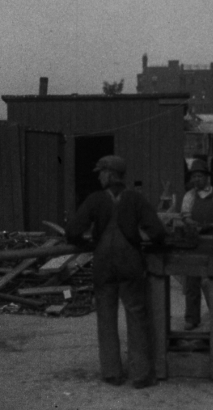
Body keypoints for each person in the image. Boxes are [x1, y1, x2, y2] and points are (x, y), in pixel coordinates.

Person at [65, 155, 166, 389]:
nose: (99, 176)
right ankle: (140, 374)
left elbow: (72, 231)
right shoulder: (135, 199)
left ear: (110, 174)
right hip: (130, 263)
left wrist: (87, 241)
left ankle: (112, 373)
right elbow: (158, 233)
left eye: (101, 172)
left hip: (103, 265)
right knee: (136, 314)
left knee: (106, 316)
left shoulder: (95, 200)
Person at [180, 158, 213, 330]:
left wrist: (210, 226)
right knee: (192, 282)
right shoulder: (189, 196)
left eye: (199, 176)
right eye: (194, 177)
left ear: (206, 177)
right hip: (195, 244)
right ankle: (192, 318)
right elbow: (185, 215)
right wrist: (191, 223)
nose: (196, 180)